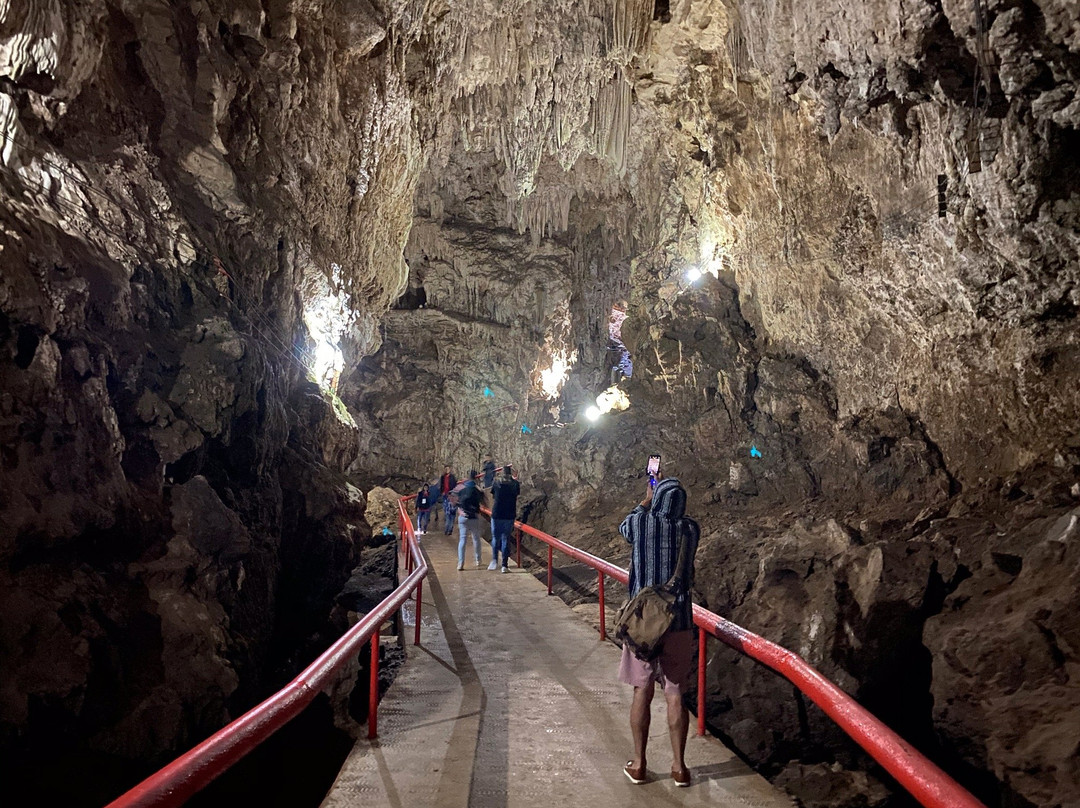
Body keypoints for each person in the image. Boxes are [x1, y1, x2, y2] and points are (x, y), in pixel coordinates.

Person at [617, 473, 699, 788]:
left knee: (643, 691)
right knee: (675, 693)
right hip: (679, 622)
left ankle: (639, 765)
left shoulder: (641, 524)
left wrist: (646, 498)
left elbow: (626, 526)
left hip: (644, 626)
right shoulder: (691, 530)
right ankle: (680, 768)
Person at [488, 464, 520, 572]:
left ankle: (494, 561)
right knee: (506, 538)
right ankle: (504, 565)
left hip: (497, 513)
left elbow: (493, 494)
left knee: (495, 538)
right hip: (509, 514)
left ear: (502, 473)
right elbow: (517, 495)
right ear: (510, 473)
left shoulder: (496, 482)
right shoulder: (515, 484)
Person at [454, 470, 486, 571]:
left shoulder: (462, 489)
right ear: (476, 477)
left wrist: (460, 510)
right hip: (473, 516)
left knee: (462, 539)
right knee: (476, 539)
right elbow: (483, 502)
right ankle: (478, 560)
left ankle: (460, 562)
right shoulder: (477, 490)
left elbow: (455, 500)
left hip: (463, 517)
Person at [439, 466, 457, 534]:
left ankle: (449, 529)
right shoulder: (443, 477)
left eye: (448, 469)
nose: (447, 470)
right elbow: (441, 485)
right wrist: (442, 492)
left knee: (451, 512)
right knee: (447, 512)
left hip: (451, 495)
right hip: (445, 495)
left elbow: (454, 485)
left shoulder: (452, 477)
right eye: (446, 469)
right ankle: (447, 528)